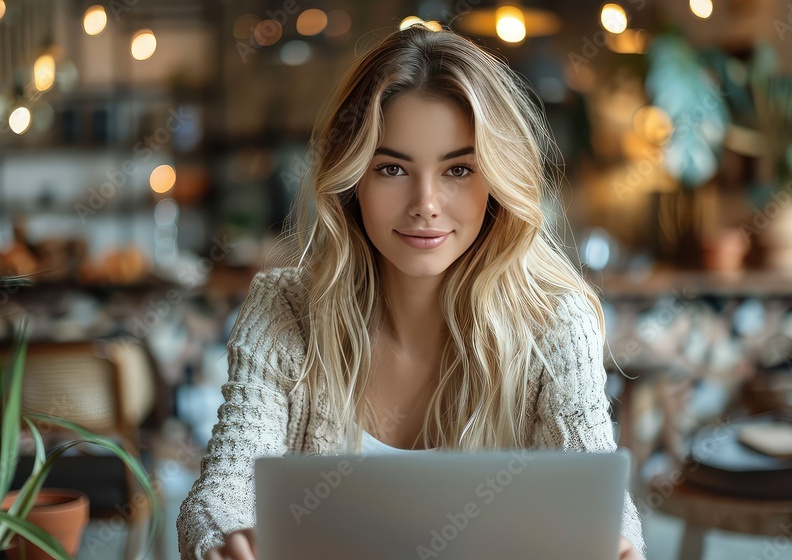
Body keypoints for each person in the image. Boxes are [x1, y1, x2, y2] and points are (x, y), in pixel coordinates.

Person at [177, 22, 646, 560]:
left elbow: (598, 494)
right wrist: (222, 541)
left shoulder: (555, 323)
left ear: (496, 181)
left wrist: (620, 544)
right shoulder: (285, 310)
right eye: (393, 167)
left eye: (459, 169)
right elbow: (223, 489)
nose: (425, 202)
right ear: (353, 179)